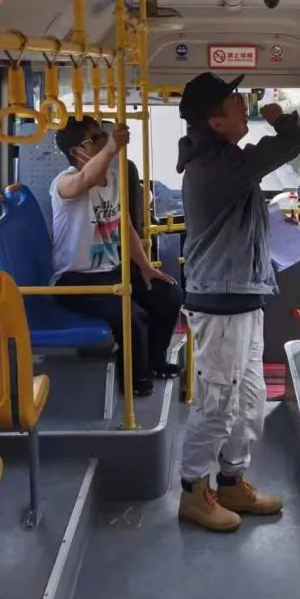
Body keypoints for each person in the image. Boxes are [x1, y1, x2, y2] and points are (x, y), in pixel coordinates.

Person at [174, 72, 300, 532]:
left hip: (244, 295)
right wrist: (280, 119)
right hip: (221, 301)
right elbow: (290, 143)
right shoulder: (215, 165)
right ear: (215, 123)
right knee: (217, 402)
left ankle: (231, 482)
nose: (242, 103)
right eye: (234, 100)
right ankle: (194, 492)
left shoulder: (223, 161)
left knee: (249, 399)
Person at [50, 117, 182, 397]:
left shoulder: (112, 179)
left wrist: (145, 267)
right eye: (95, 140)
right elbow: (84, 179)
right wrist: (111, 147)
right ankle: (135, 381)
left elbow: (125, 226)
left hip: (111, 272)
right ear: (76, 152)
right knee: (131, 315)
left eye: (103, 137)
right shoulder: (63, 183)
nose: (102, 143)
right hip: (75, 280)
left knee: (168, 294)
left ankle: (155, 361)